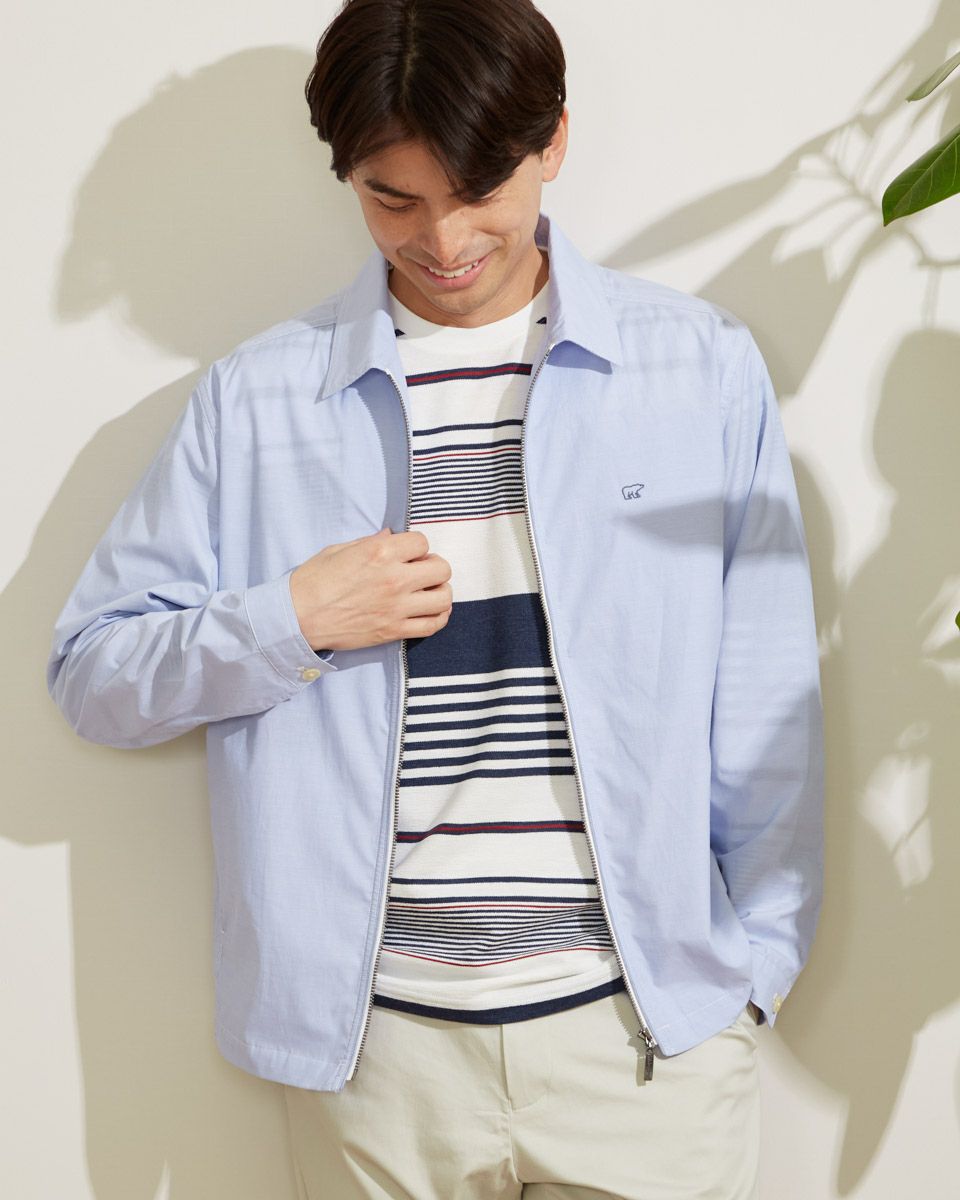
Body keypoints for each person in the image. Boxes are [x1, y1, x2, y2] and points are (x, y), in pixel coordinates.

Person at [46, 0, 824, 1196]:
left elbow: (768, 697)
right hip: (379, 1059)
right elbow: (93, 675)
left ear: (552, 141)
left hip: (649, 1045)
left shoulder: (696, 368)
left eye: (477, 192)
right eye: (392, 198)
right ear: (347, 175)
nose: (444, 239)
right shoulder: (256, 402)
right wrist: (291, 619)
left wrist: (751, 974)